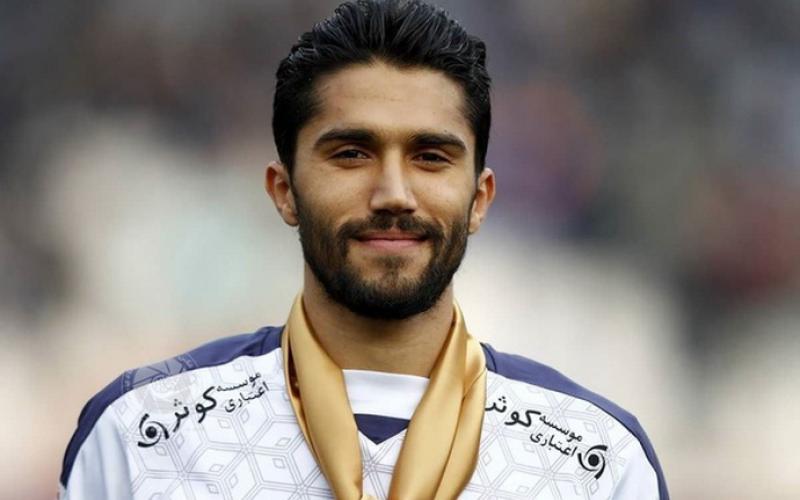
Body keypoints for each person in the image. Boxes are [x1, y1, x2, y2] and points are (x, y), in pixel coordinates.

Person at [59, 1, 669, 498]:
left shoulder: (595, 462)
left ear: (480, 199)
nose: (393, 193)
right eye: (351, 153)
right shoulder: (141, 437)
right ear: (284, 191)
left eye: (431, 156)